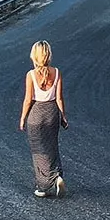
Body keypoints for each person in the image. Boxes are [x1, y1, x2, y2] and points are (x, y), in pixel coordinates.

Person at [18, 40, 67, 198]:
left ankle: (44, 186)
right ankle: (57, 176)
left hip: (37, 114)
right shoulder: (57, 72)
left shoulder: (31, 75)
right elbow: (59, 98)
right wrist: (63, 116)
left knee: (39, 150)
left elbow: (28, 100)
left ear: (34, 56)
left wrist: (22, 118)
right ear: (48, 55)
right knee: (52, 146)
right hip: (52, 112)